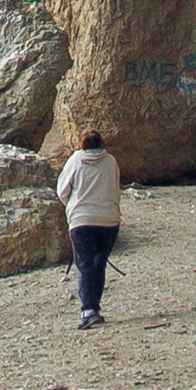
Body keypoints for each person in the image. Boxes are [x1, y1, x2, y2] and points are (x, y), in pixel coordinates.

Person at [58, 129, 122, 329]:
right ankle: (93, 308)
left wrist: (72, 207)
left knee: (85, 265)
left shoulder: (76, 161)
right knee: (98, 264)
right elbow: (115, 187)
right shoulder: (110, 161)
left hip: (81, 220)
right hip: (109, 219)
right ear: (102, 143)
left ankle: (88, 310)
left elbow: (62, 191)